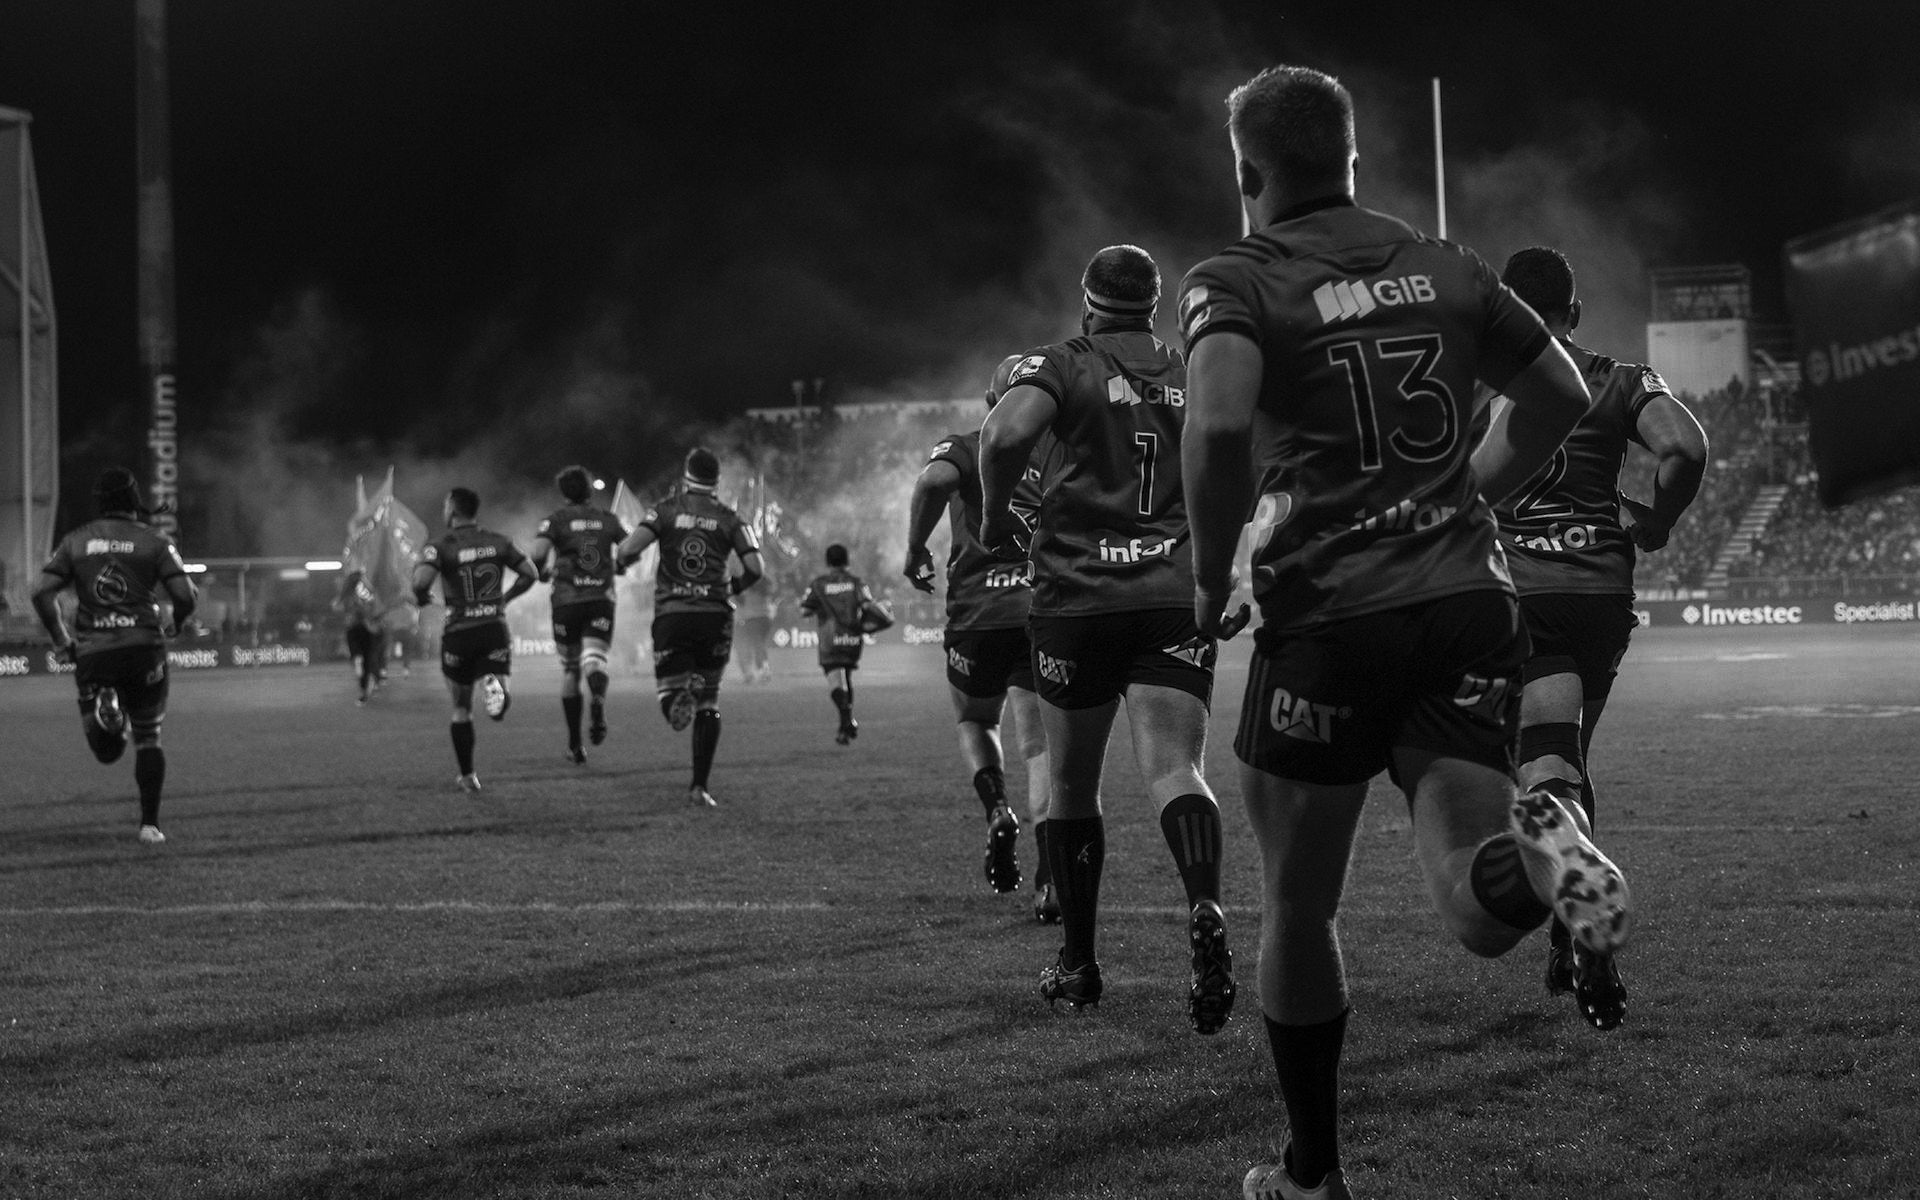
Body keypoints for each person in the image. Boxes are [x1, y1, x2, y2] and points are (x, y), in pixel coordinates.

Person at [1178, 66, 1631, 1200]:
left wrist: (1206, 573)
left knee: (1299, 903)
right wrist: (1472, 489)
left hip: (1328, 618)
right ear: (1352, 163)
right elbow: (1563, 394)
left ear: (1246, 172)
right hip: (1465, 610)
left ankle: (1311, 1175)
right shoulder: (1443, 262)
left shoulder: (1237, 276)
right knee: (1477, 904)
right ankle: (1552, 841)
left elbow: (1222, 419)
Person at [979, 244, 1241, 1037]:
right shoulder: (1194, 367)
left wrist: (993, 519)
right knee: (1175, 767)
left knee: (1072, 785)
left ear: (1088, 300)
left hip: (1080, 599)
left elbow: (1000, 437)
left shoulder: (1065, 361)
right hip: (1172, 594)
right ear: (1155, 303)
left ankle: (1082, 962)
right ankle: (1205, 904)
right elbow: (1243, 457)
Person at [1489, 247, 1708, 1031]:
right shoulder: (1619, 377)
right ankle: (1568, 936)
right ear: (1573, 313)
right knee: (1569, 761)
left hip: (1519, 595)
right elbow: (1686, 446)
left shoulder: (1484, 380)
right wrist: (1656, 519)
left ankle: (1578, 919)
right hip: (1601, 598)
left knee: (1542, 767)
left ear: (1508, 310)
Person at [905, 353, 1058, 919]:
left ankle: (997, 808)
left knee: (974, 719)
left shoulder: (968, 445)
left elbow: (933, 483)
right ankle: (1049, 878)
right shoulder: (1059, 450)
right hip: (1044, 613)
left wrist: (914, 547)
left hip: (976, 615)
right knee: (1041, 746)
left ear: (992, 404)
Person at [30, 467, 197, 845]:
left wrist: (60, 639)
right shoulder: (154, 541)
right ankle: (149, 825)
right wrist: (179, 622)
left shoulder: (75, 541)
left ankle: (108, 706)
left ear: (100, 503)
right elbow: (185, 595)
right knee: (149, 737)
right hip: (143, 649)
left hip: (94, 652)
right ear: (134, 502)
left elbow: (40, 592)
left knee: (106, 753)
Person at [616, 447, 764, 807]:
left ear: (687, 475)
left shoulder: (666, 510)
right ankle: (699, 786)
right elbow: (756, 568)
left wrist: (623, 559)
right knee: (710, 701)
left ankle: (677, 697)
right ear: (717, 481)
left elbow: (629, 548)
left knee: (669, 693)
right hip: (715, 613)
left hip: (674, 612)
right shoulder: (731, 518)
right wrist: (733, 588)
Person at [411, 486, 539, 793]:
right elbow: (530, 573)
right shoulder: (499, 541)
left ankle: (468, 776)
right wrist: (505, 598)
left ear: (453, 510)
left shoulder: (440, 545)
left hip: (459, 632)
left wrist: (422, 597)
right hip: (493, 626)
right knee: (495, 681)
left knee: (461, 709)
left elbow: (420, 581)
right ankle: (495, 686)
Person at [530, 465, 630, 764]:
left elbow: (536, 553)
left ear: (563, 493)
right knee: (595, 660)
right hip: (601, 599)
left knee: (571, 669)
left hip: (566, 601)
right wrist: (620, 565)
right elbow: (629, 549)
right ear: (589, 490)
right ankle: (598, 697)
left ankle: (575, 745)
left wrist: (543, 572)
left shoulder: (556, 520)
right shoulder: (608, 519)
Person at [799, 544, 890, 745]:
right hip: (852, 639)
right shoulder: (856, 583)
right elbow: (867, 605)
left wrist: (819, 607)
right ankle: (844, 730)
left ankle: (848, 719)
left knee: (835, 682)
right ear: (847, 560)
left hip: (830, 640)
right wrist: (882, 617)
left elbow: (805, 610)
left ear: (828, 561)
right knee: (846, 678)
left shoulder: (818, 584)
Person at [333, 568, 386, 704]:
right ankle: (367, 683)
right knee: (366, 659)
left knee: (364, 658)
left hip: (361, 628)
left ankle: (366, 683)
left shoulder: (354, 591)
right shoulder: (360, 590)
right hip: (363, 628)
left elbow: (338, 606)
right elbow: (374, 606)